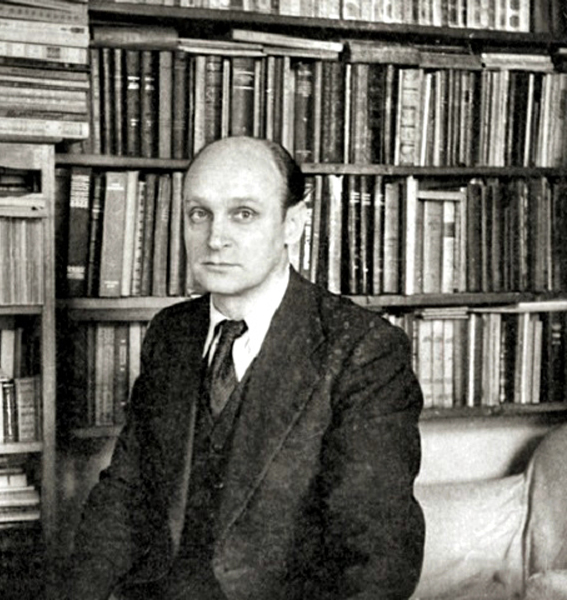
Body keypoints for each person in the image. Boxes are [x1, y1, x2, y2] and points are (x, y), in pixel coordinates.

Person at [67, 136, 425, 600]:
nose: (215, 238)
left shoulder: (363, 349)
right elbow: (124, 494)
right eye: (199, 213)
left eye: (243, 214)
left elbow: (377, 558)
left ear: (293, 223)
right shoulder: (171, 333)